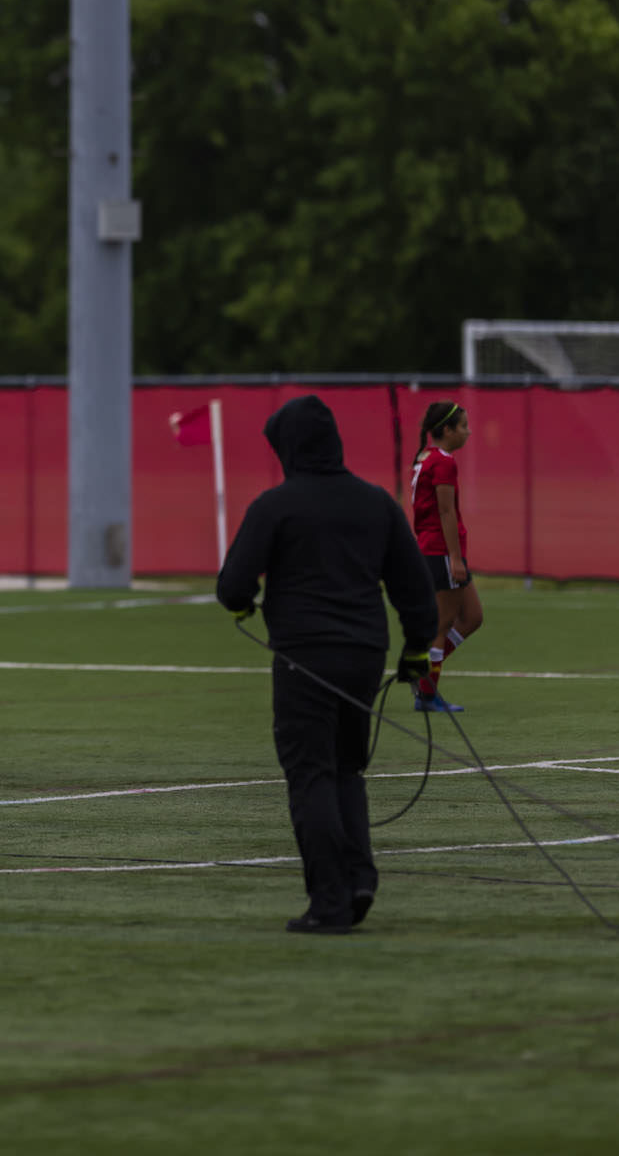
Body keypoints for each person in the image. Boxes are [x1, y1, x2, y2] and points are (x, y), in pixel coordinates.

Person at [217, 395, 437, 935]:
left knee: (310, 774)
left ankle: (330, 903)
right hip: (364, 657)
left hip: (303, 660)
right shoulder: (376, 503)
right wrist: (414, 653)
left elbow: (232, 588)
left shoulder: (275, 505)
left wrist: (247, 606)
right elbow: (417, 593)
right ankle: (359, 878)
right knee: (346, 770)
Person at [410, 401, 483, 713]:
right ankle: (426, 694)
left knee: (473, 617)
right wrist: (454, 558)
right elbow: (445, 510)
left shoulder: (428, 456)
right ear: (447, 430)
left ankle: (421, 675)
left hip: (439, 549)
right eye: (463, 426)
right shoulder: (442, 462)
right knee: (443, 624)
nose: (467, 432)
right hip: (440, 550)